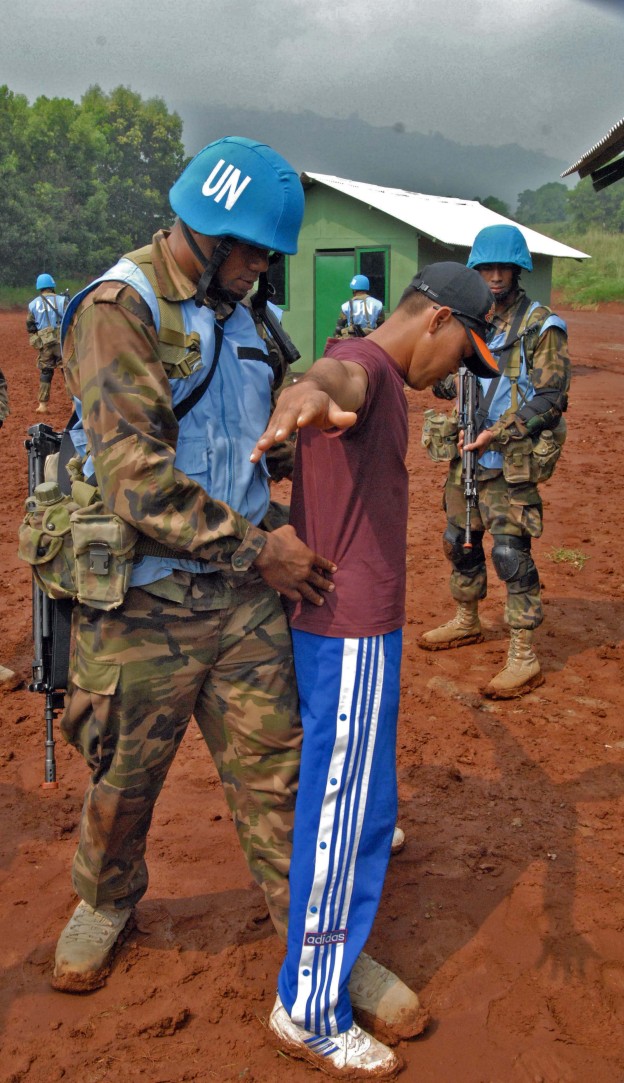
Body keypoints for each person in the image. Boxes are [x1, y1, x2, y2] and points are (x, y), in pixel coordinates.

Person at [50, 136, 339, 994]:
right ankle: (106, 900)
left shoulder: (246, 310)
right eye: (252, 249)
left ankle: (319, 949)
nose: (262, 266)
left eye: (268, 253)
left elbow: (288, 396)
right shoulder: (119, 307)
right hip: (146, 600)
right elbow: (135, 479)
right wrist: (263, 547)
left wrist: (308, 400)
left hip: (244, 597)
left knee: (279, 774)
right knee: (124, 775)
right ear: (206, 231)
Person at [252, 261, 499, 1078]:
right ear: (433, 321)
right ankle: (310, 1008)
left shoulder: (379, 366)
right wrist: (306, 393)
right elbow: (334, 378)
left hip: (361, 629)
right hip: (349, 631)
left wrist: (313, 389)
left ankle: (321, 978)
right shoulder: (369, 370)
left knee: (364, 806)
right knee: (340, 814)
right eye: (464, 351)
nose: (458, 372)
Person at [418, 224, 571, 698]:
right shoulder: (469, 320)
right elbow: (446, 380)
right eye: (486, 267)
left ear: (519, 270)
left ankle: (523, 654)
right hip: (466, 456)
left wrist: (499, 431)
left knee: (510, 552)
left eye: (504, 267)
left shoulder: (540, 325)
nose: (496, 276)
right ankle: (467, 618)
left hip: (510, 459)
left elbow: (550, 396)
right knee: (459, 540)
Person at [26, 273, 68, 413]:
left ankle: (42, 405)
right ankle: (75, 403)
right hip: (62, 342)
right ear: (52, 286)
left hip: (45, 343)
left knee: (46, 372)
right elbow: (71, 319)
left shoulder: (33, 304)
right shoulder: (62, 300)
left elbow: (30, 325)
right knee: (67, 371)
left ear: (39, 287)